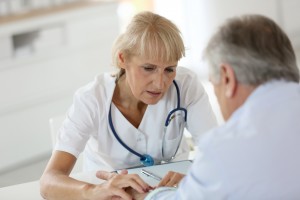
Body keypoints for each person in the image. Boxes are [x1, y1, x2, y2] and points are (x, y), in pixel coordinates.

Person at [40, 11, 217, 200]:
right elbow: (49, 182)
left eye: (169, 69)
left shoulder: (186, 85)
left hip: (171, 193)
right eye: (148, 68)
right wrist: (94, 191)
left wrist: (194, 179)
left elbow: (218, 153)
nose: (160, 83)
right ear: (123, 59)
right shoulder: (91, 100)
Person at [129, 14, 300, 199]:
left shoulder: (227, 147)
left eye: (214, 84)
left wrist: (139, 194)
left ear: (227, 77)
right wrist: (204, 181)